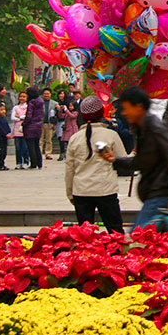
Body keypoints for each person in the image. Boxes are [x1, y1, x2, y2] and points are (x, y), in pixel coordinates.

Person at [101, 87, 168, 230]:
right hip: (155, 194)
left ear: (139, 107)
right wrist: (114, 160)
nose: (124, 113)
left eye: (126, 108)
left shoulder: (155, 128)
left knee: (137, 238)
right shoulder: (143, 128)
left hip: (161, 194)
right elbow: (141, 162)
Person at [65, 96, 127, 234]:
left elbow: (70, 169)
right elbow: (123, 161)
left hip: (81, 191)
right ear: (101, 114)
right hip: (106, 190)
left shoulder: (75, 138)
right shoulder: (111, 135)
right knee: (115, 232)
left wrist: (70, 193)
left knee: (85, 236)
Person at [22, 86, 45, 169]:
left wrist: (24, 123)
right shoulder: (41, 102)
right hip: (38, 125)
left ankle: (33, 163)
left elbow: (29, 116)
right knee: (36, 145)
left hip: (30, 126)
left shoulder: (31, 103)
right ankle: (40, 163)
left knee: (31, 146)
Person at [10, 91, 30, 169]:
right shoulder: (16, 107)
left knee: (25, 147)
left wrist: (19, 117)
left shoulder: (28, 107)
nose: (22, 98)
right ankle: (18, 162)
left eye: (24, 97)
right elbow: (12, 118)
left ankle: (26, 162)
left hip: (25, 129)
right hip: (17, 130)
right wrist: (21, 117)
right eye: (21, 96)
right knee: (18, 148)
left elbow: (27, 117)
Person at [58, 96, 80, 163]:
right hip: (67, 129)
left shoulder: (75, 112)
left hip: (72, 129)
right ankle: (68, 156)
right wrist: (60, 110)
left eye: (71, 106)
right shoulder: (67, 113)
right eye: (69, 106)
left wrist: (66, 110)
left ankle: (74, 156)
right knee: (67, 143)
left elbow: (72, 116)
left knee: (72, 143)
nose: (70, 107)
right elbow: (61, 116)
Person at [39, 87, 56, 161]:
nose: (46, 95)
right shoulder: (39, 102)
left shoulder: (54, 103)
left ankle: (48, 153)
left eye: (48, 94)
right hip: (40, 123)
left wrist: (54, 123)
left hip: (49, 123)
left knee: (49, 140)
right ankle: (39, 153)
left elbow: (56, 114)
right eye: (45, 94)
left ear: (50, 94)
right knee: (40, 140)